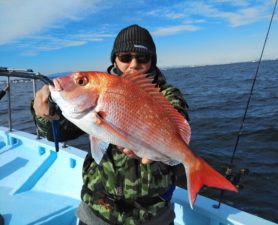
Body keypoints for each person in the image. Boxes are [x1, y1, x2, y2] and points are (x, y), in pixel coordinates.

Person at [32, 24, 189, 225]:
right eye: (125, 57)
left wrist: (151, 145)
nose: (133, 64)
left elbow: (178, 120)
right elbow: (59, 133)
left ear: (152, 61)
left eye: (142, 58)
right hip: (98, 210)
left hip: (152, 215)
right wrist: (46, 116)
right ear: (114, 59)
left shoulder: (167, 95)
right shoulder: (98, 92)